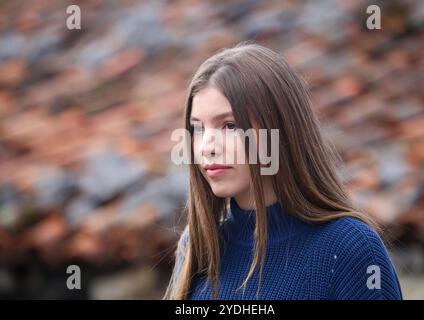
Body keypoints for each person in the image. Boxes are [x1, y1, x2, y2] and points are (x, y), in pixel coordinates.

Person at [163, 42, 403, 300]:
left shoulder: (350, 249)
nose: (207, 147)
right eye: (198, 128)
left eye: (230, 125)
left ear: (280, 130)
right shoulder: (198, 246)